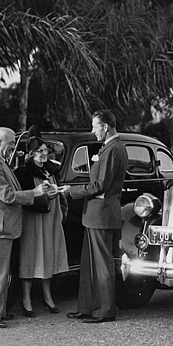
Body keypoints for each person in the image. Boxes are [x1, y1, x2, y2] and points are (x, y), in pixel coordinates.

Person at [0, 127, 50, 328]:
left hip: (2, 224)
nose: (13, 149)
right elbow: (7, 195)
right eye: (10, 144)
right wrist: (33, 193)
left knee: (0, 270)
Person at [62, 110, 128, 324]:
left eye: (95, 126)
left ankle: (104, 311)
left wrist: (71, 191)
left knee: (101, 264)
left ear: (106, 126)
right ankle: (87, 307)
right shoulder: (109, 148)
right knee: (89, 263)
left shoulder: (113, 150)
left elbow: (101, 185)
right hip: (94, 215)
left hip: (102, 214)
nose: (93, 131)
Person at [14, 136, 69, 317]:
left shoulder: (51, 170)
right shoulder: (24, 173)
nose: (44, 154)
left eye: (46, 151)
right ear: (31, 154)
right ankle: (26, 299)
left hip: (51, 216)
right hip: (33, 217)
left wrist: (58, 199)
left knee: (48, 253)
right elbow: (23, 197)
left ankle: (48, 296)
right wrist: (43, 196)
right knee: (30, 255)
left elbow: (59, 192)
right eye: (40, 151)